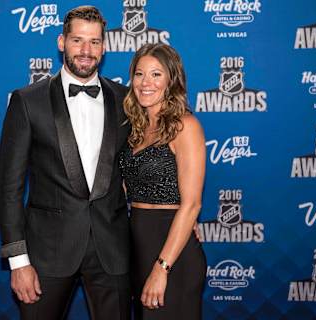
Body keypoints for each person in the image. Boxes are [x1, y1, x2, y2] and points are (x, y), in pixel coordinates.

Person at [0, 6, 131, 320]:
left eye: (95, 42)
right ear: (61, 42)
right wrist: (19, 262)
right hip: (46, 254)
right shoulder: (28, 101)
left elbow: (147, 164)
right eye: (77, 40)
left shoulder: (126, 100)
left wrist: (180, 208)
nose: (86, 51)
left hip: (111, 251)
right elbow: (9, 189)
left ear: (104, 46)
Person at [119, 43, 207, 320]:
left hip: (172, 252)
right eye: (139, 74)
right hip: (139, 245)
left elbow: (191, 205)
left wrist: (162, 268)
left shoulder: (185, 126)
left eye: (156, 75)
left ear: (172, 80)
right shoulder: (133, 128)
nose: (146, 83)